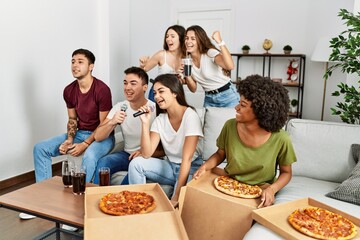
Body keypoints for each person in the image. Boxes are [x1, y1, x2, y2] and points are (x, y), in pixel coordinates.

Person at [20, 49, 114, 224]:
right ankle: (44, 202)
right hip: (79, 133)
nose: (75, 65)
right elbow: (72, 119)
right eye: (72, 61)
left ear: (91, 66)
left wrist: (85, 144)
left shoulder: (102, 90)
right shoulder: (69, 90)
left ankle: (79, 212)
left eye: (80, 61)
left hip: (102, 137)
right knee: (40, 148)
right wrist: (69, 140)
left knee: (91, 156)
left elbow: (103, 127)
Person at [193, 75, 297, 208]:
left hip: (260, 189)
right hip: (229, 181)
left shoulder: (281, 139)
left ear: (261, 111)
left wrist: (272, 189)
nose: (236, 107)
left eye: (242, 105)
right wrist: (205, 167)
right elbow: (220, 154)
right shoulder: (230, 126)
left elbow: (286, 173)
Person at [128, 74, 203, 202]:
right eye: (155, 93)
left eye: (161, 91)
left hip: (190, 169)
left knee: (177, 202)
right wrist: (145, 123)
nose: (156, 96)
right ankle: (137, 204)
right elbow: (146, 154)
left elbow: (187, 159)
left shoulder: (191, 116)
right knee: (136, 163)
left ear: (174, 92)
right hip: (170, 167)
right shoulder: (160, 120)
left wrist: (177, 195)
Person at [93, 66, 156, 185]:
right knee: (104, 163)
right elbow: (98, 137)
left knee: (134, 170)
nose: (127, 88)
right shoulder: (120, 107)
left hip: (149, 156)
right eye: (125, 83)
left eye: (133, 83)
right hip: (127, 155)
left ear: (145, 87)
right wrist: (112, 122)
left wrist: (142, 151)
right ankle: (98, 196)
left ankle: (118, 201)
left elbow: (163, 146)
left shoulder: (154, 109)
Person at [183, 25, 239, 107]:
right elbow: (193, 89)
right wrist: (187, 75)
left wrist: (220, 42)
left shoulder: (209, 53)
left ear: (200, 41)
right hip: (209, 99)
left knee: (232, 120)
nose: (188, 41)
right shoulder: (188, 60)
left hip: (228, 96)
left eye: (193, 38)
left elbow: (230, 66)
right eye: (187, 38)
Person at [139, 24, 186, 102]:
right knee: (154, 114)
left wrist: (181, 80)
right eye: (167, 36)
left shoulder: (186, 58)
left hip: (175, 92)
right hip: (158, 92)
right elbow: (142, 71)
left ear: (181, 38)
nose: (168, 39)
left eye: (172, 36)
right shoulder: (161, 55)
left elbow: (187, 82)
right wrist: (142, 66)